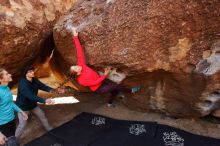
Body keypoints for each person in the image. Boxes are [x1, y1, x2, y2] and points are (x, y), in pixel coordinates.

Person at [69, 28, 141, 107]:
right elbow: (95, 82)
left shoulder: (81, 64)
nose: (77, 66)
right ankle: (130, 90)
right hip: (98, 88)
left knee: (115, 91)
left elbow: (79, 51)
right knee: (115, 86)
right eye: (75, 68)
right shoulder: (81, 81)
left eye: (75, 66)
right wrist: (105, 74)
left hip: (101, 82)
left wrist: (75, 37)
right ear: (77, 73)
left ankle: (109, 103)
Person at [15, 66, 63, 138]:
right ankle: (13, 141)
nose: (32, 72)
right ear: (25, 74)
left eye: (32, 70)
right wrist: (44, 100)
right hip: (23, 107)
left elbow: (43, 86)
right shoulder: (23, 83)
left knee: (42, 116)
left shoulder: (34, 80)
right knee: (22, 125)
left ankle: (50, 130)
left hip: (33, 104)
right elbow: (30, 95)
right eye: (30, 71)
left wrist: (55, 91)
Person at [0, 68, 28, 146]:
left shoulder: (7, 88)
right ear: (1, 79)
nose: (10, 75)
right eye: (7, 74)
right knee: (12, 143)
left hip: (12, 120)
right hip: (3, 125)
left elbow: (11, 103)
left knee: (12, 141)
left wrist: (21, 111)